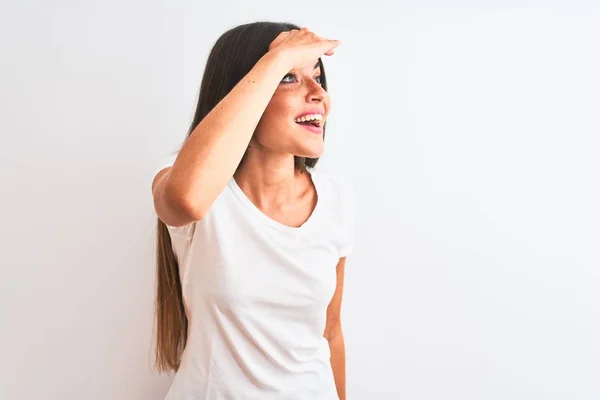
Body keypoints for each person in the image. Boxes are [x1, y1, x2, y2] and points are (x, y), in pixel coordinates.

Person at [151, 21, 356, 400]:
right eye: (290, 79)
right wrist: (276, 59)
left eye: (318, 77)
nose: (318, 94)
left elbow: (331, 333)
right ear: (244, 90)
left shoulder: (336, 199)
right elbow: (185, 200)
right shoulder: (192, 183)